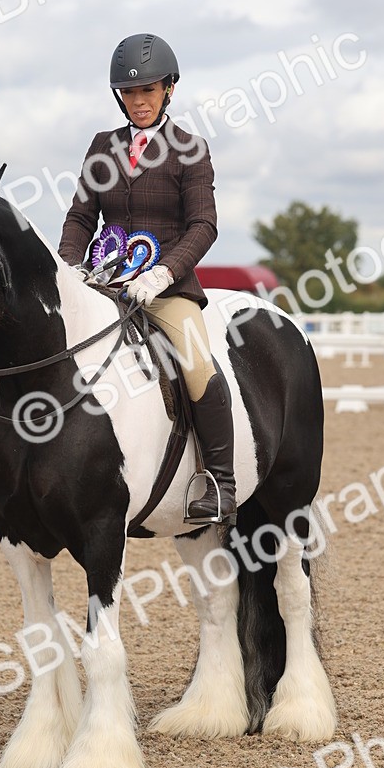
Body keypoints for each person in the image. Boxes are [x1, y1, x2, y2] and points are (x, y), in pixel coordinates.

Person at [57, 32, 236, 522]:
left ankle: (220, 482)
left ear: (169, 90)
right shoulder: (102, 147)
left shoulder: (189, 149)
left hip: (166, 290)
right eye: (130, 93)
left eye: (149, 91)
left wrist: (163, 273)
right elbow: (79, 218)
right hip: (104, 284)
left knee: (197, 365)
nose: (139, 102)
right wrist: (70, 267)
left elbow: (204, 225)